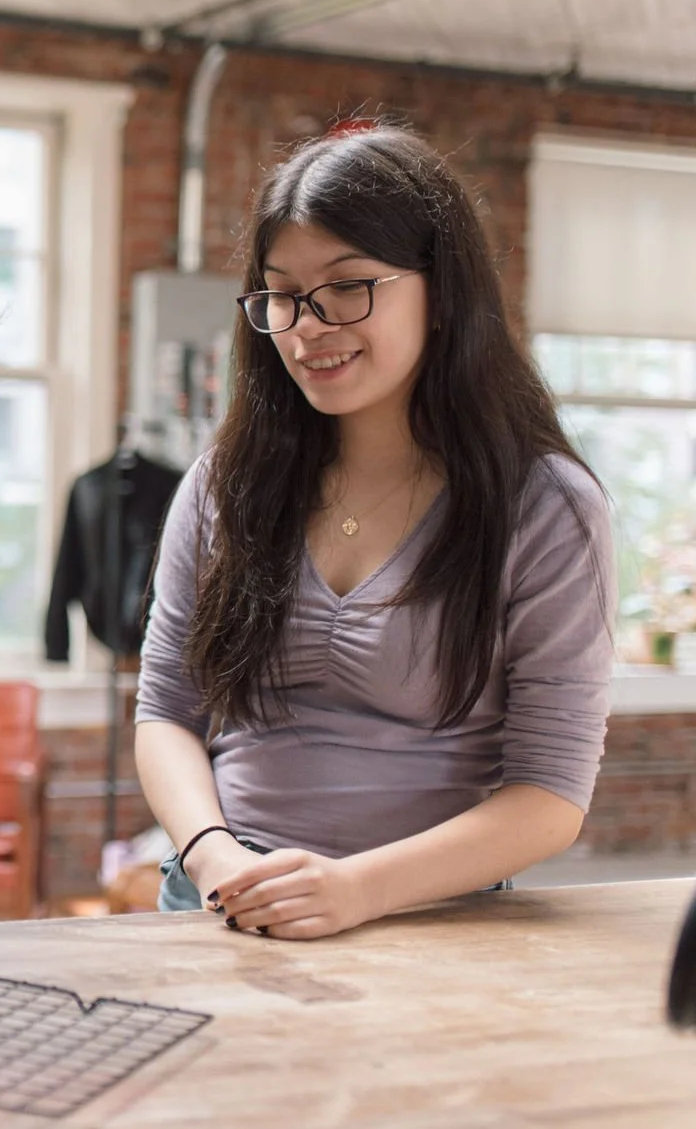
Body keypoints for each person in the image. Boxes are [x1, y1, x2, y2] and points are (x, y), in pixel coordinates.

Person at [135, 124, 615, 941]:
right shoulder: (227, 483)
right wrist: (213, 857)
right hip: (220, 903)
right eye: (281, 293)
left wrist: (355, 889)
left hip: (434, 923)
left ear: (443, 288)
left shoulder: (543, 506)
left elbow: (550, 794)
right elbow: (165, 711)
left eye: (348, 285)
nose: (305, 326)